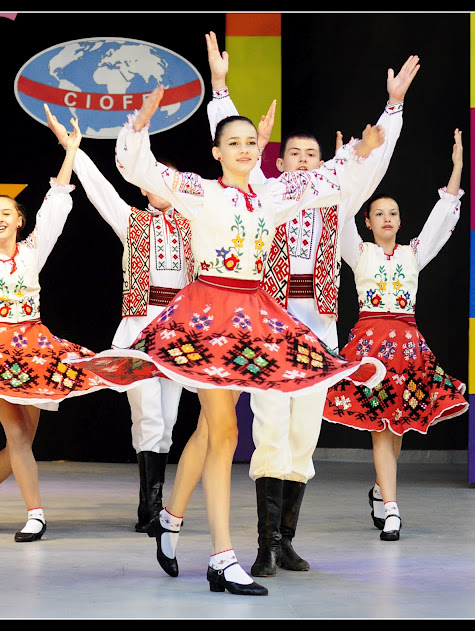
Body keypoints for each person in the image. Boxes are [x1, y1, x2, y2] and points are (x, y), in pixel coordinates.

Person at [70, 79, 387, 595]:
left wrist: (362, 150)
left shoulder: (274, 193)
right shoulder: (200, 191)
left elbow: (327, 179)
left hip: (254, 317)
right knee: (225, 433)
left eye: (250, 142)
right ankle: (222, 557)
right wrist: (139, 125)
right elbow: (138, 168)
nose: (243, 148)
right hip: (208, 316)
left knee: (209, 430)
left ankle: (171, 519)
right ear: (217, 151)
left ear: (260, 151)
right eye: (233, 142)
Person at [204, 31, 419, 576]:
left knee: (304, 435)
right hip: (271, 327)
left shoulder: (336, 199)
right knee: (270, 429)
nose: (303, 162)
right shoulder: (264, 192)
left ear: (324, 163)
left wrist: (393, 107)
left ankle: (285, 540)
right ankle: (262, 545)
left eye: (312, 155)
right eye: (294, 154)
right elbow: (234, 148)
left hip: (318, 330)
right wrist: (221, 90)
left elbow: (373, 161)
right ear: (278, 161)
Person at [0, 118, 160, 542]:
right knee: (18, 434)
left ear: (20, 220)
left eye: (6, 213)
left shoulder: (34, 250)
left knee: (23, 442)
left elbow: (56, 203)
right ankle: (36, 514)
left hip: (36, 350)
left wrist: (70, 152)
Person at [44, 103, 196, 534]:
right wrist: (73, 150)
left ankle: (154, 502)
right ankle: (150, 508)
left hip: (178, 333)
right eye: (154, 179)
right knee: (148, 415)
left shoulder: (195, 225)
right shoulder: (133, 221)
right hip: (139, 329)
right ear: (145, 188)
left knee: (168, 420)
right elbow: (99, 190)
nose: (161, 185)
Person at [322, 128, 469, 542]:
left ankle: (379, 489)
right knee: (382, 427)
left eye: (393, 213)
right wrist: (344, 166)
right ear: (368, 222)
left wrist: (457, 167)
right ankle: (391, 508)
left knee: (397, 426)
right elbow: (339, 214)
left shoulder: (412, 254)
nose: (387, 218)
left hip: (408, 347)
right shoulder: (358, 252)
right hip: (371, 349)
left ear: (400, 222)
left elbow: (441, 218)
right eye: (379, 213)